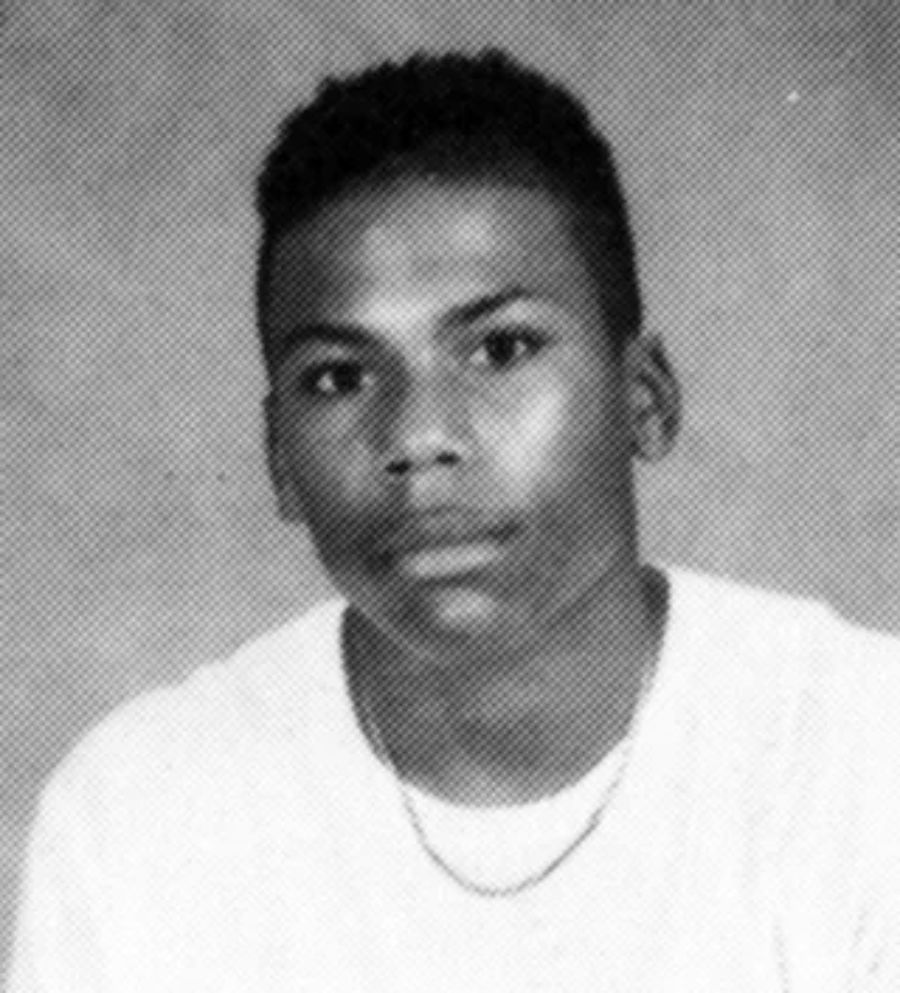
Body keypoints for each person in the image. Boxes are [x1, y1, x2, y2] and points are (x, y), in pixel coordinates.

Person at [8, 49, 900, 993]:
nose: (419, 437)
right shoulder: (140, 814)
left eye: (500, 348)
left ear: (645, 397)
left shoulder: (860, 757)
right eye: (340, 377)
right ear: (278, 457)